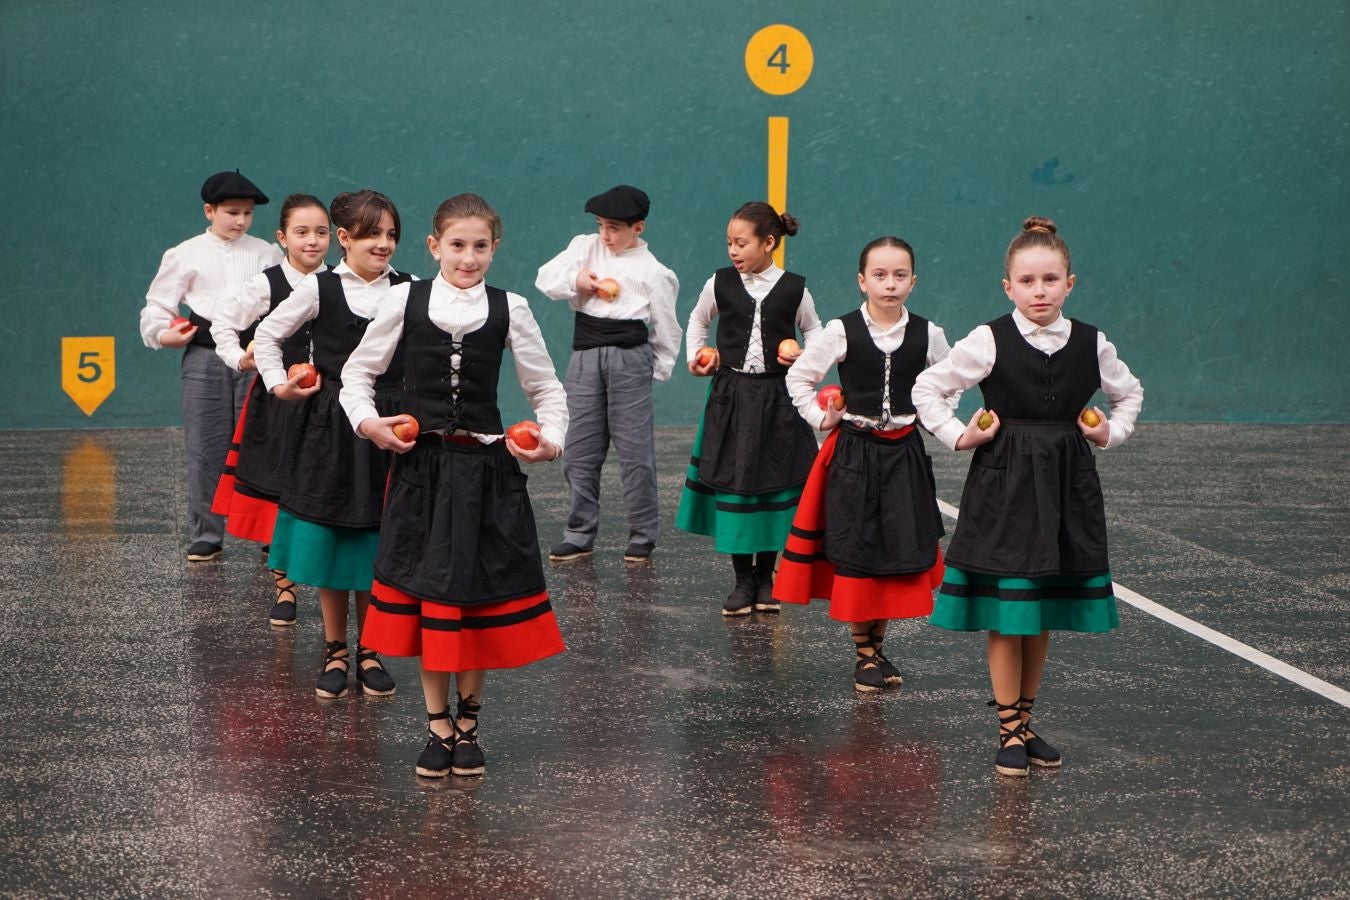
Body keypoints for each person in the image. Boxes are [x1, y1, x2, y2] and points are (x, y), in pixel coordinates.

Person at [340, 193, 568, 778]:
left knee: (474, 597)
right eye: (458, 245)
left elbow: (546, 389)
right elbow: (357, 374)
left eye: (481, 246)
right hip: (422, 473)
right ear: (435, 246)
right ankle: (436, 724)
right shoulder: (404, 299)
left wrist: (550, 440)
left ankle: (470, 720)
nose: (469, 258)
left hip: (487, 474)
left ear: (495, 248)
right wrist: (370, 423)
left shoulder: (510, 307)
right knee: (432, 595)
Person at [913, 216, 1143, 777]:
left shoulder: (1092, 341)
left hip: (1067, 484)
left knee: (1037, 612)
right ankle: (1008, 730)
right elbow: (928, 387)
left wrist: (1107, 432)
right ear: (1007, 287)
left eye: (1050, 279)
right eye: (1027, 281)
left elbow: (1129, 392)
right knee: (1008, 612)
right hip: (1005, 481)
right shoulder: (989, 338)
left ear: (1070, 283)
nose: (1039, 290)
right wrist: (961, 435)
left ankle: (1026, 721)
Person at [253, 190, 412, 699]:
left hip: (387, 425)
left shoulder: (411, 289)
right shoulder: (320, 288)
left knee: (374, 540)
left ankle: (371, 649)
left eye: (390, 234)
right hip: (331, 428)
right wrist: (280, 386)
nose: (383, 244)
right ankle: (335, 649)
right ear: (344, 238)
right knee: (331, 539)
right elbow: (269, 335)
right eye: (371, 234)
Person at [777, 236, 954, 691]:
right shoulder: (841, 330)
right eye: (879, 275)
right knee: (857, 545)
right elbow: (799, 377)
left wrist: (936, 420)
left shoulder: (929, 334)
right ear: (862, 281)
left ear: (913, 281)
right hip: (854, 452)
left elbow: (949, 384)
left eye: (899, 275)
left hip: (904, 454)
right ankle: (865, 655)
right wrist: (823, 417)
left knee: (893, 547)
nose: (889, 284)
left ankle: (875, 651)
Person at [676, 201, 822, 616]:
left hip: (778, 400)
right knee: (737, 482)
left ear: (769, 243)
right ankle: (743, 582)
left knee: (774, 481)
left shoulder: (795, 288)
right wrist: (696, 356)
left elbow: (816, 329)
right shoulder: (719, 283)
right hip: (732, 397)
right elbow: (697, 320)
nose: (733, 251)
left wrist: (803, 356)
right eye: (729, 243)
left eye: (741, 243)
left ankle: (766, 578)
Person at [139, 170, 281, 562]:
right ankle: (206, 533)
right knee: (205, 445)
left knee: (264, 441)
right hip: (204, 355)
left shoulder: (268, 253)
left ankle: (268, 529)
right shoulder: (184, 254)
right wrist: (162, 334)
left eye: (248, 214)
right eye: (231, 212)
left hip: (256, 354)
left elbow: (287, 298)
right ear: (209, 210)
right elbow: (157, 306)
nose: (240, 221)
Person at [535, 185, 681, 563]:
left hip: (630, 359)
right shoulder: (585, 248)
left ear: (639, 227)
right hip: (584, 355)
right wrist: (577, 282)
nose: (606, 235)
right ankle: (579, 531)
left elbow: (666, 327)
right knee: (579, 449)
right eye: (601, 225)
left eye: (614, 228)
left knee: (635, 453)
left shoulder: (656, 272)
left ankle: (642, 534)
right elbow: (545, 278)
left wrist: (656, 368)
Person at [209, 194, 330, 626]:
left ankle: (329, 582)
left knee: (323, 490)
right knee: (278, 490)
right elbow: (223, 322)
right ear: (282, 238)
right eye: (301, 232)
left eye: (321, 232)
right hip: (277, 403)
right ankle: (284, 588)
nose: (312, 241)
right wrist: (239, 357)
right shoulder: (267, 283)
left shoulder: (340, 281)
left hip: (327, 405)